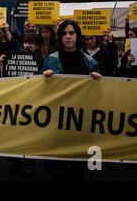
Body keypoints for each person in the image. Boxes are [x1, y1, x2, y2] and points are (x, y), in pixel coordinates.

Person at [41, 20, 100, 181]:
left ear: (77, 36)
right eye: (64, 33)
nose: (68, 37)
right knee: (56, 169)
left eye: (71, 33)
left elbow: (99, 93)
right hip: (57, 122)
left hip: (80, 122)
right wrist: (44, 79)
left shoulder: (90, 62)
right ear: (60, 37)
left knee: (77, 168)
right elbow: (39, 90)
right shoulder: (52, 59)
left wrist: (97, 81)